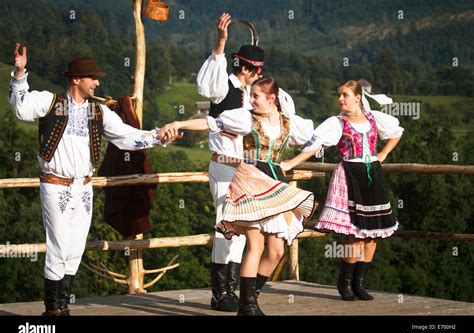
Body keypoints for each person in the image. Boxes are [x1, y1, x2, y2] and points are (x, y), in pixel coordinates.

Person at [8, 43, 169, 316]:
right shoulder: (50, 102)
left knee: (75, 249)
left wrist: (157, 136)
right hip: (55, 185)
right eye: (92, 78)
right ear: (76, 80)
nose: (96, 83)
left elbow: (126, 136)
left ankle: (62, 307)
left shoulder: (98, 112)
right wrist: (20, 73)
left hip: (83, 187)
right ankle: (53, 311)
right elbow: (21, 108)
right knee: (59, 247)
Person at [161, 77, 315, 315]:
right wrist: (179, 122)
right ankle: (247, 307)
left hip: (275, 183)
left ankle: (250, 298)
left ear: (272, 99)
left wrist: (293, 162)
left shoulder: (289, 123)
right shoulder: (246, 118)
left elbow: (317, 140)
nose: (250, 100)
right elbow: (210, 123)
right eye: (250, 95)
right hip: (249, 180)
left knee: (276, 250)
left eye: (256, 96)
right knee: (255, 245)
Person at [196, 12, 295, 312]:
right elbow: (205, 86)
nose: (255, 72)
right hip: (225, 165)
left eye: (260, 68)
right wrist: (220, 44)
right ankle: (219, 293)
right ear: (240, 63)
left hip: (248, 169)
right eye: (252, 67)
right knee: (226, 228)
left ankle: (233, 290)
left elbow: (284, 105)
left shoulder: (254, 95)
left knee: (245, 231)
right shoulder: (223, 85)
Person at [280, 80, 404, 301]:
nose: (340, 99)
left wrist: (382, 155)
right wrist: (290, 164)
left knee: (373, 235)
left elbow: (396, 132)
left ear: (358, 97)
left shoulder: (374, 118)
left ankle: (360, 284)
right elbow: (314, 145)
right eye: (339, 95)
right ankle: (344, 283)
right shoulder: (337, 123)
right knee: (356, 234)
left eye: (345, 95)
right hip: (350, 175)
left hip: (372, 175)